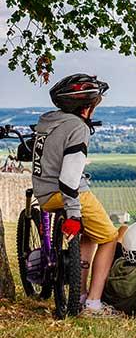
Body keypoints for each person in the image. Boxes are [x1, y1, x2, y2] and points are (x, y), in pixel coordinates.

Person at [32, 74, 119, 317]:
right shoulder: (77, 128)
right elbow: (69, 179)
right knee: (109, 237)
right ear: (86, 106)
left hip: (45, 193)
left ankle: (79, 295)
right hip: (66, 193)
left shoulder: (47, 121)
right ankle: (92, 304)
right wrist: (73, 213)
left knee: (91, 234)